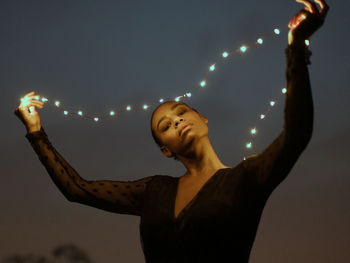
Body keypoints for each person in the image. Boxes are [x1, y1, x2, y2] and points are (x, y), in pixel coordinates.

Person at [14, 1, 329, 262]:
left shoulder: (245, 179)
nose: (177, 120)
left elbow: (297, 134)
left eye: (182, 112)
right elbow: (77, 189)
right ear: (165, 149)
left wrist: (296, 48)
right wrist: (36, 133)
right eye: (165, 125)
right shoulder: (154, 191)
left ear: (203, 119)